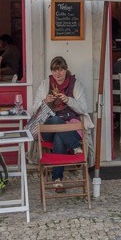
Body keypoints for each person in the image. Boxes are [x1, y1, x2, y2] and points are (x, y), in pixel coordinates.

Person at [33, 56, 94, 185]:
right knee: (55, 119)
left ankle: (57, 179)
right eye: (54, 70)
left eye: (60, 70)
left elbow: (83, 108)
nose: (57, 74)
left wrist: (69, 100)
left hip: (68, 126)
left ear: (66, 70)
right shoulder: (45, 84)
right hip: (48, 129)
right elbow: (34, 109)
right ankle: (76, 147)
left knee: (59, 136)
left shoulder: (75, 84)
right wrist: (44, 101)